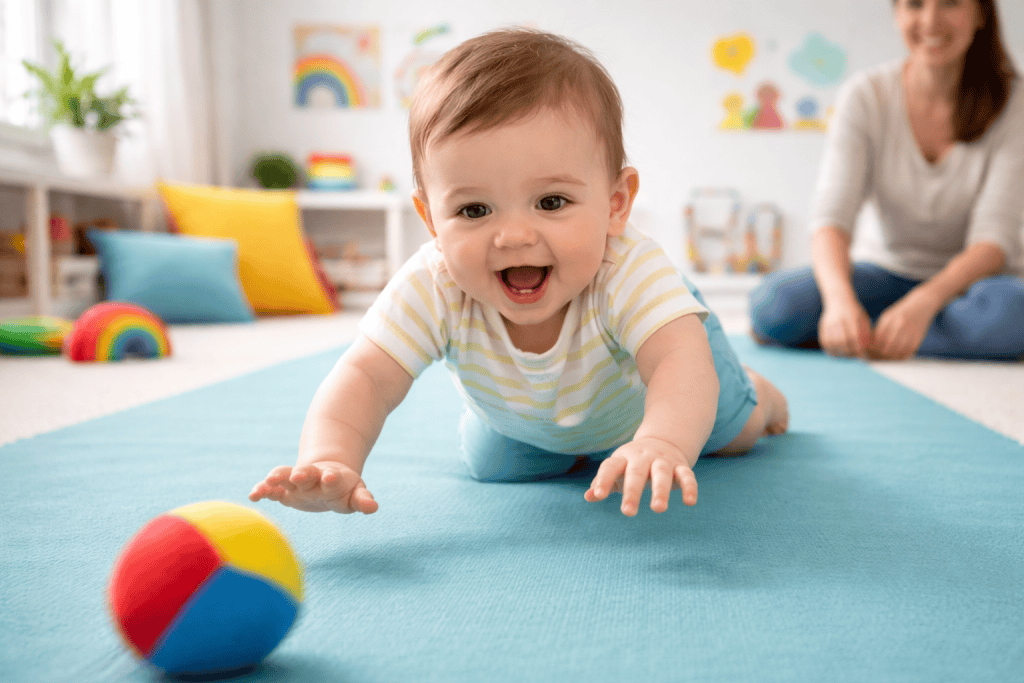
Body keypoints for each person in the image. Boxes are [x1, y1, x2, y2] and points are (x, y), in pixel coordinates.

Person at [250, 28, 788, 518]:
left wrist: (664, 442)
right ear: (431, 220)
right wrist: (328, 458)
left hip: (663, 377)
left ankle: (759, 394)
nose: (513, 236)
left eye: (551, 201)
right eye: (474, 211)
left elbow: (678, 363)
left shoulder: (625, 266)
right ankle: (586, 443)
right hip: (537, 416)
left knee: (727, 426)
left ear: (615, 203)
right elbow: (365, 377)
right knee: (492, 463)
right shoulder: (435, 283)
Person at [750, 0, 1024, 360]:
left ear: (979, 15)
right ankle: (888, 332)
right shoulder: (865, 95)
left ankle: (873, 335)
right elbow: (831, 217)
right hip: (883, 273)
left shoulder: (1014, 102)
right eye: (914, 4)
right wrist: (839, 302)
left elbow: (993, 240)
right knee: (774, 304)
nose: (930, 20)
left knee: (1011, 316)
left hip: (971, 286)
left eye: (950, 3)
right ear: (897, 13)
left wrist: (924, 302)